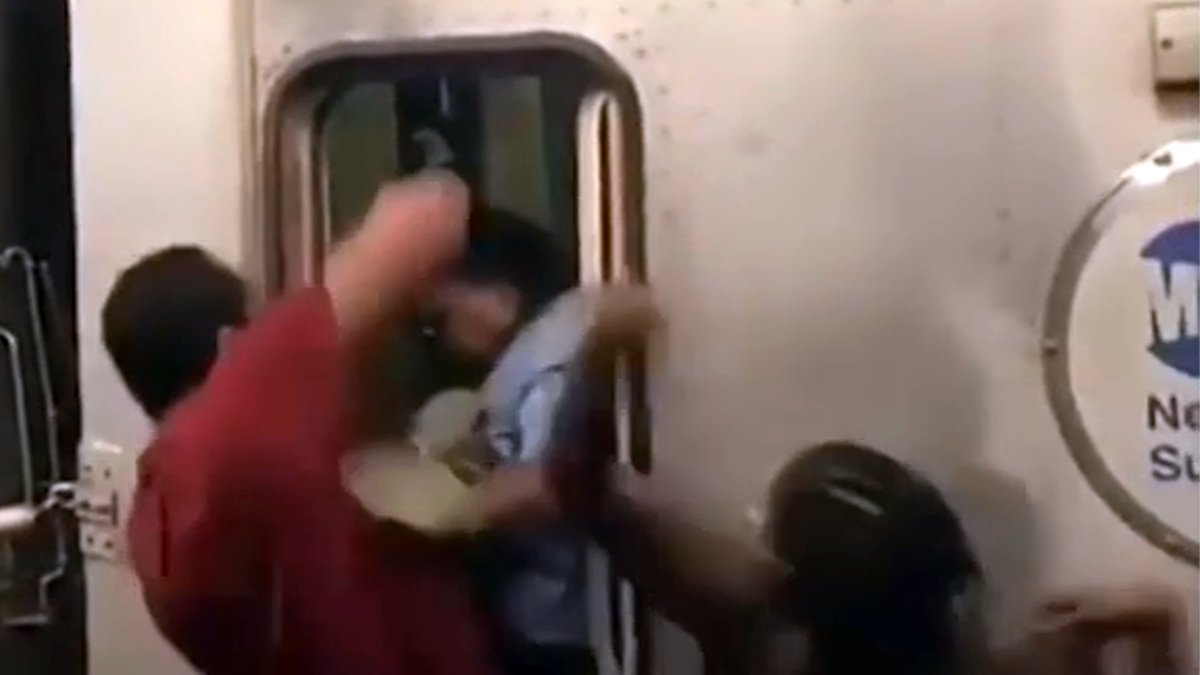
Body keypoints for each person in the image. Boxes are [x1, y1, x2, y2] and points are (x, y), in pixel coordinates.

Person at [103, 174, 577, 674]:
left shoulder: (178, 520)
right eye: (261, 320)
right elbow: (434, 208)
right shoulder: (216, 462)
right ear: (230, 346)